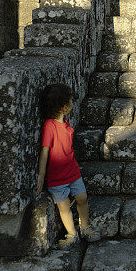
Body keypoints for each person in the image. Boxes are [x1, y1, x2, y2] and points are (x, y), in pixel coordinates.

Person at [36, 83, 101, 249]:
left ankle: (85, 227)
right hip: (56, 178)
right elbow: (45, 152)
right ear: (64, 107)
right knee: (64, 207)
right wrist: (41, 176)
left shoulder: (66, 123)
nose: (73, 104)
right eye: (71, 101)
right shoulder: (49, 126)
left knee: (82, 198)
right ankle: (72, 234)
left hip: (72, 172)